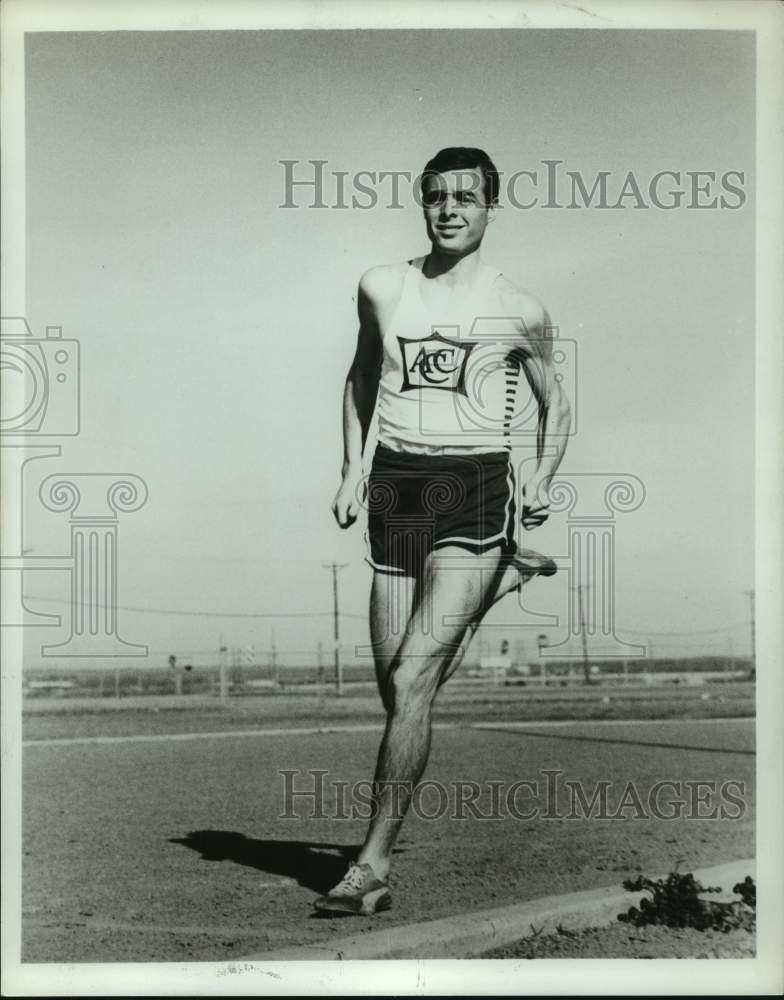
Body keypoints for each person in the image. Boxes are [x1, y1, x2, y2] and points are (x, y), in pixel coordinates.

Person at [318, 147, 571, 915]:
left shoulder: (518, 308)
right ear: (422, 206)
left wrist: (539, 474)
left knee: (415, 682)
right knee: (394, 687)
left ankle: (370, 865)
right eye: (437, 198)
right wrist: (351, 467)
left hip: (475, 486)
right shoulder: (382, 287)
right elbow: (361, 376)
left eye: (467, 197)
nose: (451, 209)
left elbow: (555, 404)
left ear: (492, 207)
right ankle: (507, 576)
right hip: (397, 486)